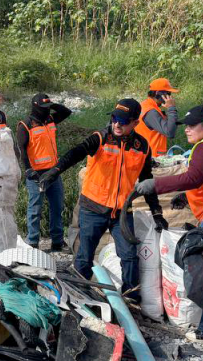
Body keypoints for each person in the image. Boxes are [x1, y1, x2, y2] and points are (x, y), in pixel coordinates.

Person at [37, 99, 167, 288]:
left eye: (123, 121)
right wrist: (54, 171)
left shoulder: (142, 147)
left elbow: (147, 181)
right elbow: (76, 152)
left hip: (121, 212)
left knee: (130, 257)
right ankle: (79, 294)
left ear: (135, 123)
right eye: (114, 118)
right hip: (92, 208)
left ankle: (131, 299)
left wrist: (157, 212)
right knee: (84, 257)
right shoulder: (101, 138)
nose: (117, 124)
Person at [134, 105, 203, 341]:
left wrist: (156, 185)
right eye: (186, 126)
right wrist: (186, 196)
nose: (187, 130)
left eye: (193, 126)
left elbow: (194, 177)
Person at [16, 93, 72, 251]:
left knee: (57, 207)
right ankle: (33, 241)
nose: (47, 111)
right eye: (44, 108)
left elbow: (66, 112)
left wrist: (51, 104)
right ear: (35, 107)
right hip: (36, 175)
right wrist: (28, 169)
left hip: (53, 172)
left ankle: (57, 241)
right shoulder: (25, 125)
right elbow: (22, 150)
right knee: (35, 209)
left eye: (48, 108)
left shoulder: (50, 119)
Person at [138, 78, 179, 157]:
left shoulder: (146, 106)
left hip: (147, 155)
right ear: (158, 93)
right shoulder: (150, 112)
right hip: (151, 158)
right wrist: (171, 108)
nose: (170, 97)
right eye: (168, 93)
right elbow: (170, 132)